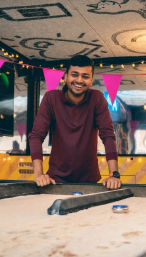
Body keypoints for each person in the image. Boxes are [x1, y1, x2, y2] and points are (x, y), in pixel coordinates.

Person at [29, 55, 121, 189]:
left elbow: (108, 136)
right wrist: (39, 174)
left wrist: (114, 174)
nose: (79, 80)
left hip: (90, 182)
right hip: (55, 181)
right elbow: (36, 136)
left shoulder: (97, 99)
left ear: (91, 80)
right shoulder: (51, 99)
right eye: (74, 75)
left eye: (85, 76)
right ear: (66, 77)